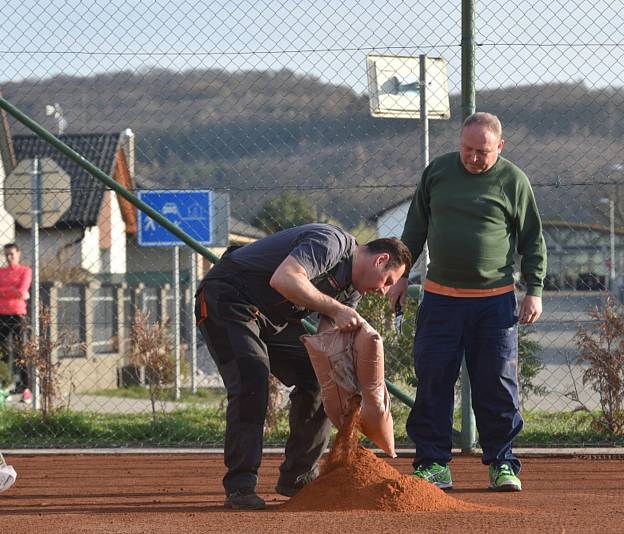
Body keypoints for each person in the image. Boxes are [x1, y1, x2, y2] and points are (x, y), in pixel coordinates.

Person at [195, 223, 412, 510]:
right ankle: (240, 486)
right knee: (252, 379)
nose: (384, 291)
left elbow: (324, 344)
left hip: (270, 319)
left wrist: (354, 382)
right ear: (380, 259)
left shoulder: (351, 292)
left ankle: (298, 476)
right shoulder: (332, 243)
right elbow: (285, 279)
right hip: (228, 299)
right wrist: (335, 309)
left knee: (321, 377)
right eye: (387, 281)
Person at [388, 112, 547, 493]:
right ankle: (433, 464)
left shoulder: (514, 181)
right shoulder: (438, 172)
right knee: (433, 381)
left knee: (497, 385)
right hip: (441, 301)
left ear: (500, 147)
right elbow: (414, 229)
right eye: (467, 149)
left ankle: (503, 464)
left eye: (482, 152)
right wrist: (400, 275)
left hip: (494, 304)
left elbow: (532, 240)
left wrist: (535, 290)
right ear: (459, 142)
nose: (473, 158)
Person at [0, 243, 33, 399]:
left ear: (18, 254)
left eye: (12, 254)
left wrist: (3, 292)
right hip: (0, 314)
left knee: (20, 351)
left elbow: (22, 290)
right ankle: (3, 385)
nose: (9, 257)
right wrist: (12, 291)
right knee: (2, 351)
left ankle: (25, 387)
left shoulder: (25, 271)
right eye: (6, 254)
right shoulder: (0, 271)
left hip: (17, 315)